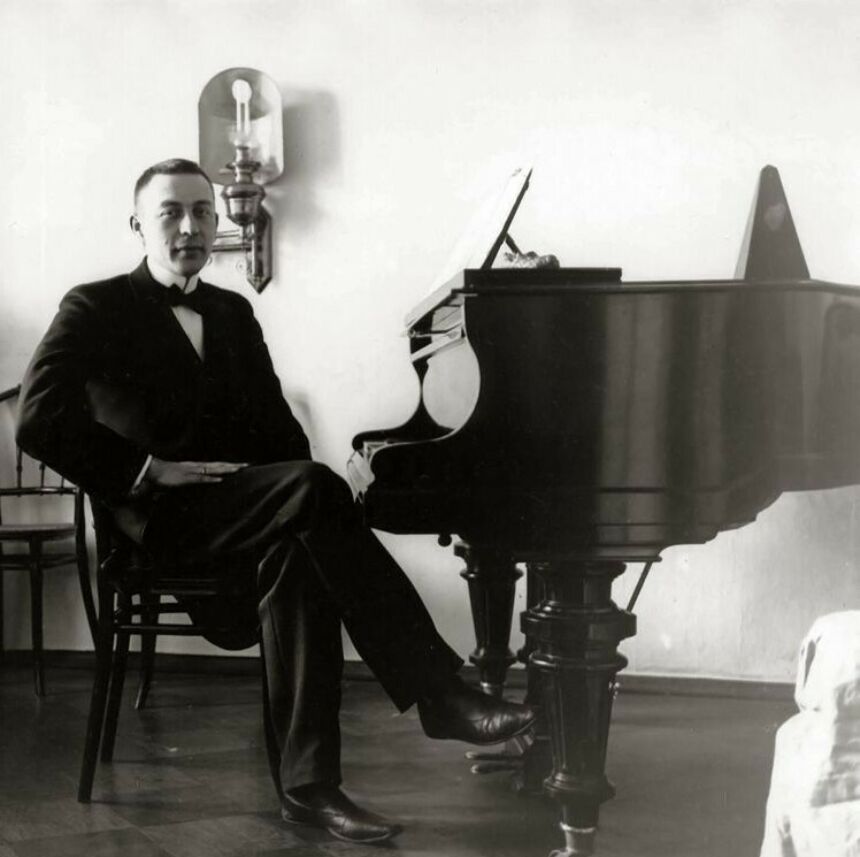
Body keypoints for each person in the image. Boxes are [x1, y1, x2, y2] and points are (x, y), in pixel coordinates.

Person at [15, 158, 535, 845]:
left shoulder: (232, 312)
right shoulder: (94, 305)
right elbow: (36, 419)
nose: (191, 226)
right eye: (172, 212)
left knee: (303, 541)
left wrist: (320, 486)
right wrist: (146, 469)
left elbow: (279, 436)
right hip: (160, 527)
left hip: (243, 514)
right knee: (313, 497)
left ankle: (310, 789)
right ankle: (438, 692)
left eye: (204, 211)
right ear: (138, 224)